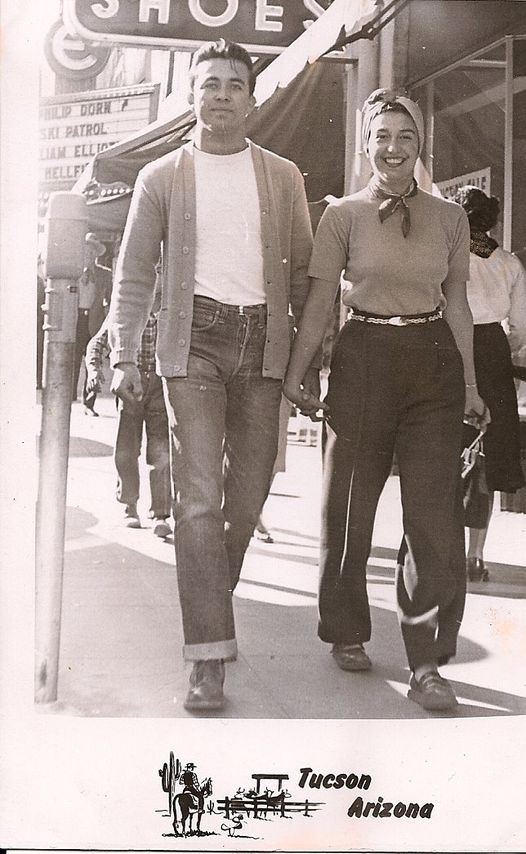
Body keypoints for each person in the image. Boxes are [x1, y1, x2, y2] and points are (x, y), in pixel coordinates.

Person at [107, 40, 314, 712]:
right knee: (197, 500)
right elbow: (134, 274)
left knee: (246, 500)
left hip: (263, 345)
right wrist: (121, 353)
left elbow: (305, 274)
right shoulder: (161, 176)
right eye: (210, 83)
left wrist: (309, 361)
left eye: (234, 84)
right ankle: (207, 656)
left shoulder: (283, 176)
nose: (221, 94)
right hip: (192, 341)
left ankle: (207, 604)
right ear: (192, 95)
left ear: (251, 98)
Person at [284, 88, 489, 712]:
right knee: (349, 506)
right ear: (365, 145)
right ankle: (346, 629)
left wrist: (471, 385)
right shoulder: (341, 215)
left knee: (433, 518)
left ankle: (427, 660)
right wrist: (299, 371)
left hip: (432, 362)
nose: (394, 148)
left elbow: (458, 304)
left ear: (420, 144)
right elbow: (320, 302)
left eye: (406, 136)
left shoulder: (450, 218)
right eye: (382, 137)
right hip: (363, 359)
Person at [453, 186, 526, 581]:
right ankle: (475, 555)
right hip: (494, 353)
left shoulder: (448, 257)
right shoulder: (508, 263)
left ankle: (443, 549)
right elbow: (520, 329)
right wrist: (498, 352)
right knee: (488, 454)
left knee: (449, 450)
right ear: (492, 221)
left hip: (452, 346)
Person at [85, 308, 173, 539]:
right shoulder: (126, 308)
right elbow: (97, 343)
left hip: (161, 386)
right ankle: (129, 505)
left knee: (161, 452)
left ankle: (161, 514)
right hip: (130, 385)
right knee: (126, 449)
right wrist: (93, 370)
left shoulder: (170, 308)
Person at [73, 233, 111, 415]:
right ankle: (68, 399)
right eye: (85, 251)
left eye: (92, 252)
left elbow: (110, 299)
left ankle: (88, 404)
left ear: (96, 254)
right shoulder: (72, 273)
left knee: (93, 363)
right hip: (76, 321)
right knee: (72, 361)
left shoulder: (105, 274)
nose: (88, 255)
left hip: (95, 322)